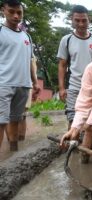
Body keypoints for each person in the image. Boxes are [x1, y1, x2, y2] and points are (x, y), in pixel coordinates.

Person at [0, 0, 40, 151]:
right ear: (3, 10)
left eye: (19, 12)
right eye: (12, 12)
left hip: (23, 85)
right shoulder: (1, 32)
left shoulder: (26, 37)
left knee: (16, 120)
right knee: (1, 122)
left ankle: (13, 154)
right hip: (3, 84)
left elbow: (30, 61)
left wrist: (35, 83)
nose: (16, 16)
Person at [57, 5, 92, 130]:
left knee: (91, 122)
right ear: (72, 20)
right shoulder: (67, 40)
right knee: (72, 119)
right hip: (74, 87)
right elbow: (62, 65)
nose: (81, 24)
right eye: (77, 20)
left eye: (84, 20)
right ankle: (71, 145)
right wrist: (61, 88)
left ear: (89, 20)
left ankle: (84, 147)